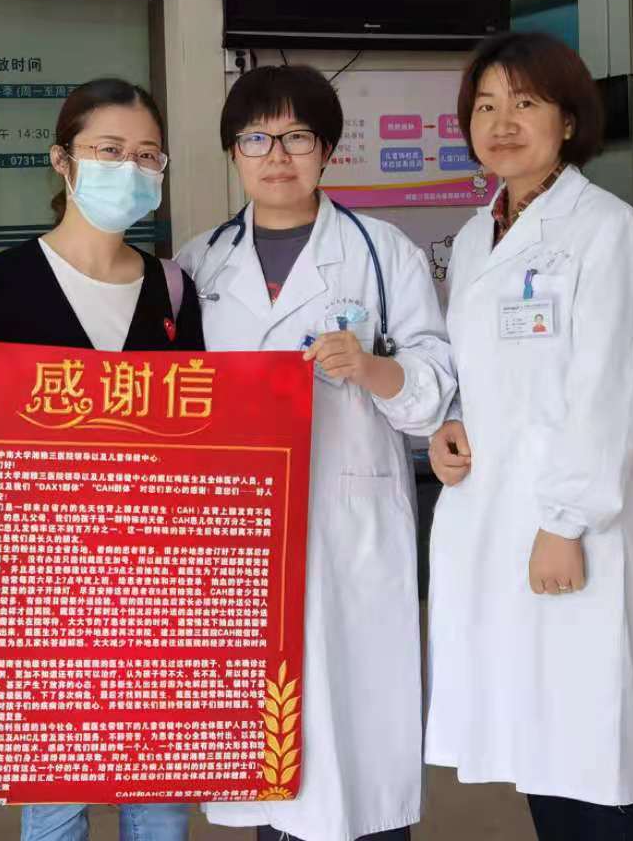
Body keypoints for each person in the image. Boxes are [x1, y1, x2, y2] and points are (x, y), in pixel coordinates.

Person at [177, 64, 455, 841]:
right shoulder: (198, 264)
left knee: (354, 740)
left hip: (348, 519)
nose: (277, 156)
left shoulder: (382, 252)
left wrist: (371, 368)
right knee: (265, 741)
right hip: (238, 530)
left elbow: (433, 387)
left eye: (297, 137)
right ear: (233, 152)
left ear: (327, 150)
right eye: (256, 138)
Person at [425, 31, 633, 841]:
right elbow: (483, 369)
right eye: (486, 106)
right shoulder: (475, 235)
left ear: (568, 119)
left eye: (525, 103)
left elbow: (610, 389)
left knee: (589, 757)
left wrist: (565, 521)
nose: (502, 123)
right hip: (492, 518)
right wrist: (450, 424)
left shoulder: (609, 230)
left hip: (570, 529)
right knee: (537, 749)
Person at [0, 76, 202, 841]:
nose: (131, 169)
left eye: (147, 155)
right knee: (57, 802)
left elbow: (205, 437)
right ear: (62, 160)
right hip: (47, 587)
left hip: (156, 583)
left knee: (157, 799)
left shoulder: (172, 288)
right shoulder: (5, 282)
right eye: (110, 151)